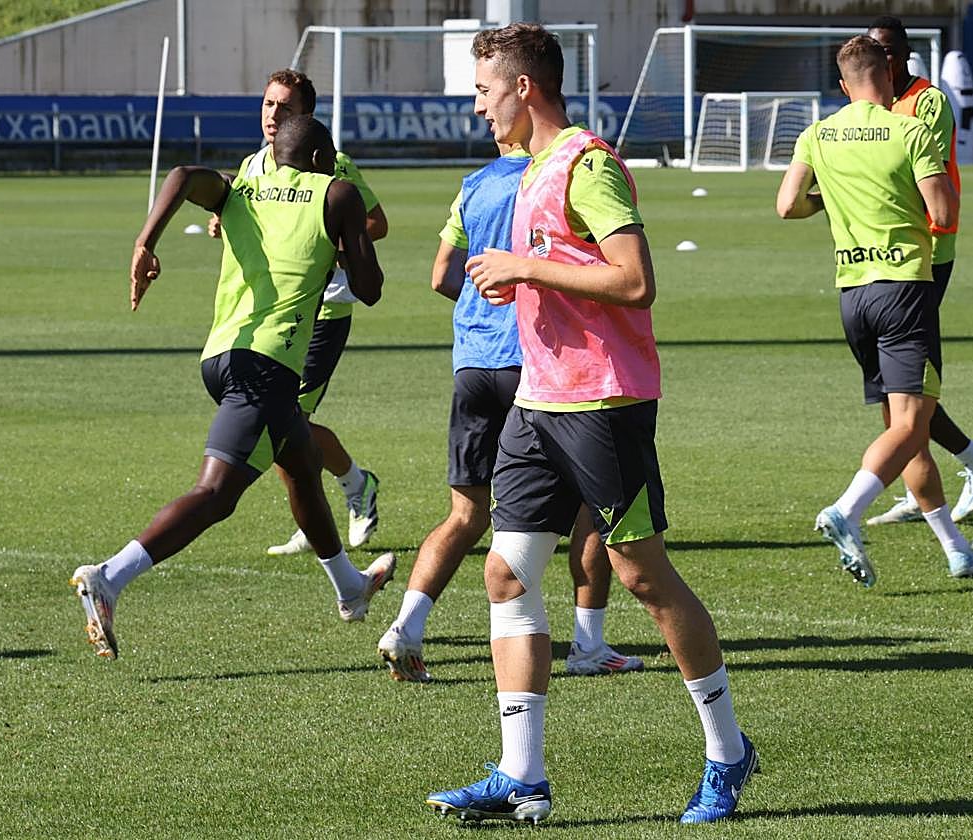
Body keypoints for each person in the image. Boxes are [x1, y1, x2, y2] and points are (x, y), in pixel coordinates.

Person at [426, 24, 756, 826]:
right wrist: (527, 288)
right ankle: (521, 775)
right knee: (506, 573)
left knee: (641, 574)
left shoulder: (587, 163)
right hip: (538, 404)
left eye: (483, 91)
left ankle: (727, 751)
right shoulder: (533, 168)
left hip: (604, 404)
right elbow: (571, 277)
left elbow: (637, 280)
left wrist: (525, 269)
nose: (478, 108)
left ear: (524, 88)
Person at [69, 115, 395, 660]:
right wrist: (341, 243)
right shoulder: (335, 192)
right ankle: (109, 576)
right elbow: (371, 289)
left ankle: (350, 588)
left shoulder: (243, 185)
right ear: (320, 159)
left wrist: (145, 242)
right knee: (215, 494)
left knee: (303, 468)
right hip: (267, 365)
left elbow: (182, 175)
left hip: (220, 355)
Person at [376, 140, 643, 683]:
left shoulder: (474, 184)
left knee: (465, 515)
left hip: (472, 365)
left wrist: (481, 304)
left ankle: (406, 625)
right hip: (535, 366)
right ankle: (589, 642)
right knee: (590, 512)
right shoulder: (553, 177)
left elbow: (441, 275)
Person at [775, 35, 973, 585]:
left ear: (843, 83)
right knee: (909, 423)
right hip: (904, 290)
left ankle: (956, 549)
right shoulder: (911, 129)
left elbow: (787, 206)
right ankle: (846, 511)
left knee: (907, 424)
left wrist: (839, 198)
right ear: (889, 73)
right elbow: (943, 214)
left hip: (852, 294)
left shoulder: (818, 134)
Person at [208, 70, 386, 554]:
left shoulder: (334, 165)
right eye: (268, 104)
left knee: (291, 419)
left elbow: (375, 222)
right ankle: (339, 500)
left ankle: (350, 489)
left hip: (321, 313)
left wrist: (337, 242)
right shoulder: (251, 166)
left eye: (285, 108)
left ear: (305, 117)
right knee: (287, 424)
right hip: (266, 317)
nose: (273, 115)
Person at [864, 16, 973, 526]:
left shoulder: (928, 101)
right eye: (870, 49)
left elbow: (908, 167)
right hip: (882, 252)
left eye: (884, 49)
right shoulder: (870, 103)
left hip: (927, 250)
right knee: (894, 386)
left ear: (901, 54)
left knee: (907, 387)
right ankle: (930, 479)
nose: (877, 58)